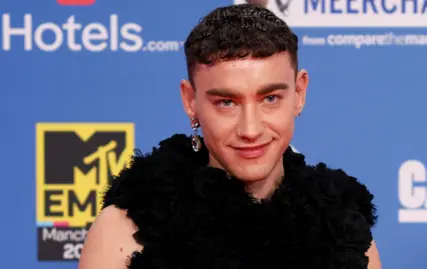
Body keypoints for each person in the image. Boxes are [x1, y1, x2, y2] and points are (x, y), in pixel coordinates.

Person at [78, 3, 381, 269]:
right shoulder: (127, 230)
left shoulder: (341, 229)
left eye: (270, 98)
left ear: (299, 93)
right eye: (227, 103)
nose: (250, 129)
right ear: (190, 101)